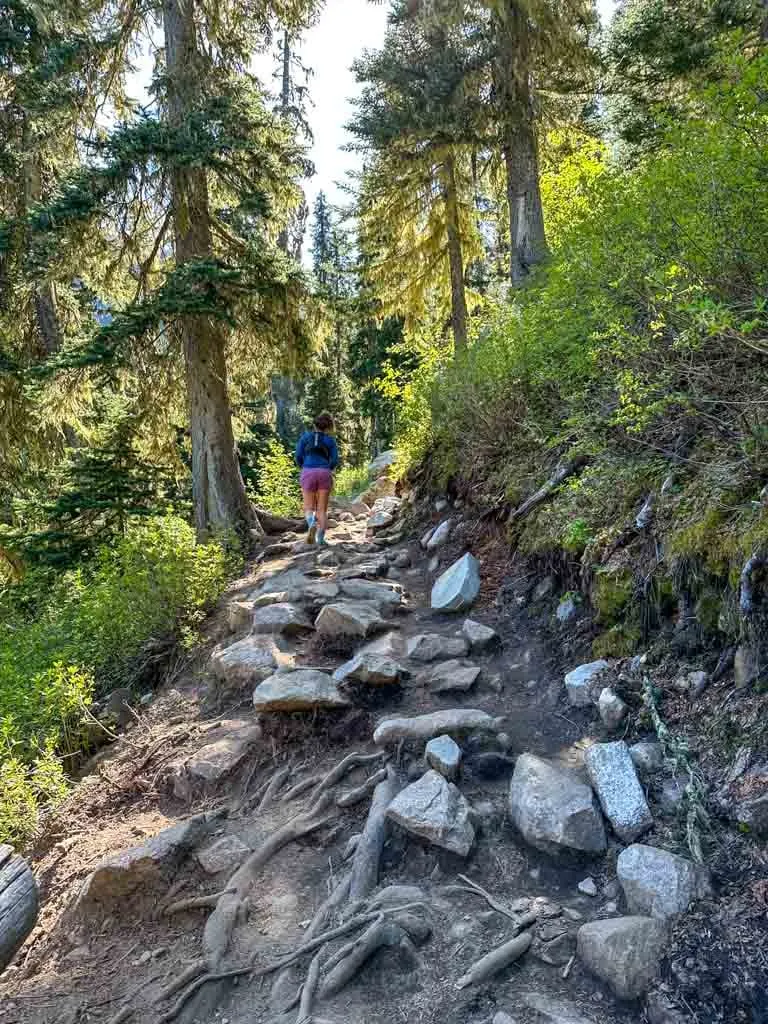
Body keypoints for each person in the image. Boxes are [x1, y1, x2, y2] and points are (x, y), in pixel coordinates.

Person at [295, 412, 339, 545]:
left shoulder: (305, 437)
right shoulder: (330, 440)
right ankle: (320, 540)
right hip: (324, 472)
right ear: (327, 427)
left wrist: (305, 467)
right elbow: (335, 460)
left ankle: (312, 523)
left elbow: (298, 456)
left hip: (308, 471)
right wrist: (327, 468)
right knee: (322, 510)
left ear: (314, 425)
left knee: (309, 508)